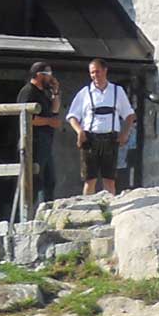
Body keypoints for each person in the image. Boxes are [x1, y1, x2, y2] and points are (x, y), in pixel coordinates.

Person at [64, 58, 135, 196]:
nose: (95, 75)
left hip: (110, 139)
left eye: (97, 72)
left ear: (105, 71)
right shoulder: (85, 93)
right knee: (90, 180)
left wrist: (125, 134)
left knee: (109, 180)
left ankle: (110, 209)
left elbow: (129, 115)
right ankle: (89, 210)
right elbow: (72, 116)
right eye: (92, 73)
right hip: (90, 139)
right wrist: (79, 131)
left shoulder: (117, 91)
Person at [14, 61, 61, 210]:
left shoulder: (43, 93)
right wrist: (48, 121)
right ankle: (26, 215)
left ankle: (46, 213)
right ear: (39, 75)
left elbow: (55, 110)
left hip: (46, 143)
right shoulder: (28, 91)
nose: (51, 78)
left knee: (49, 180)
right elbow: (27, 119)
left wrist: (56, 92)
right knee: (35, 181)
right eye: (48, 75)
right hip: (33, 142)